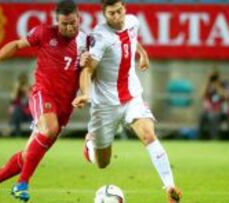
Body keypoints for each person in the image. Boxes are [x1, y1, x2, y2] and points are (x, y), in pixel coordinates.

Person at [0, 1, 89, 202]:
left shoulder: (86, 41)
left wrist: (85, 90)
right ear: (56, 21)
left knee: (28, 156)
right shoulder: (44, 33)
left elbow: (86, 72)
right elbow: (17, 45)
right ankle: (22, 183)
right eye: (64, 24)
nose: (70, 27)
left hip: (64, 106)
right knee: (49, 129)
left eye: (73, 22)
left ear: (79, 18)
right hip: (43, 94)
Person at [72, 0, 182, 202]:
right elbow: (88, 69)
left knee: (148, 135)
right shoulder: (100, 37)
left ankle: (170, 187)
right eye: (111, 13)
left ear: (125, 9)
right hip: (105, 104)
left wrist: (142, 53)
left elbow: (131, 39)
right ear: (104, 15)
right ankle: (91, 142)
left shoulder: (133, 21)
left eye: (119, 11)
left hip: (132, 96)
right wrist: (85, 93)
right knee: (102, 163)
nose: (117, 16)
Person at [198, 70, 229, 140]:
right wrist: (207, 83)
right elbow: (202, 97)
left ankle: (214, 138)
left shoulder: (225, 84)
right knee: (201, 116)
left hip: (223, 110)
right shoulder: (209, 85)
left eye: (215, 77)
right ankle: (201, 138)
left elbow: (227, 97)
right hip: (210, 110)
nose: (213, 80)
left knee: (213, 116)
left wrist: (218, 86)